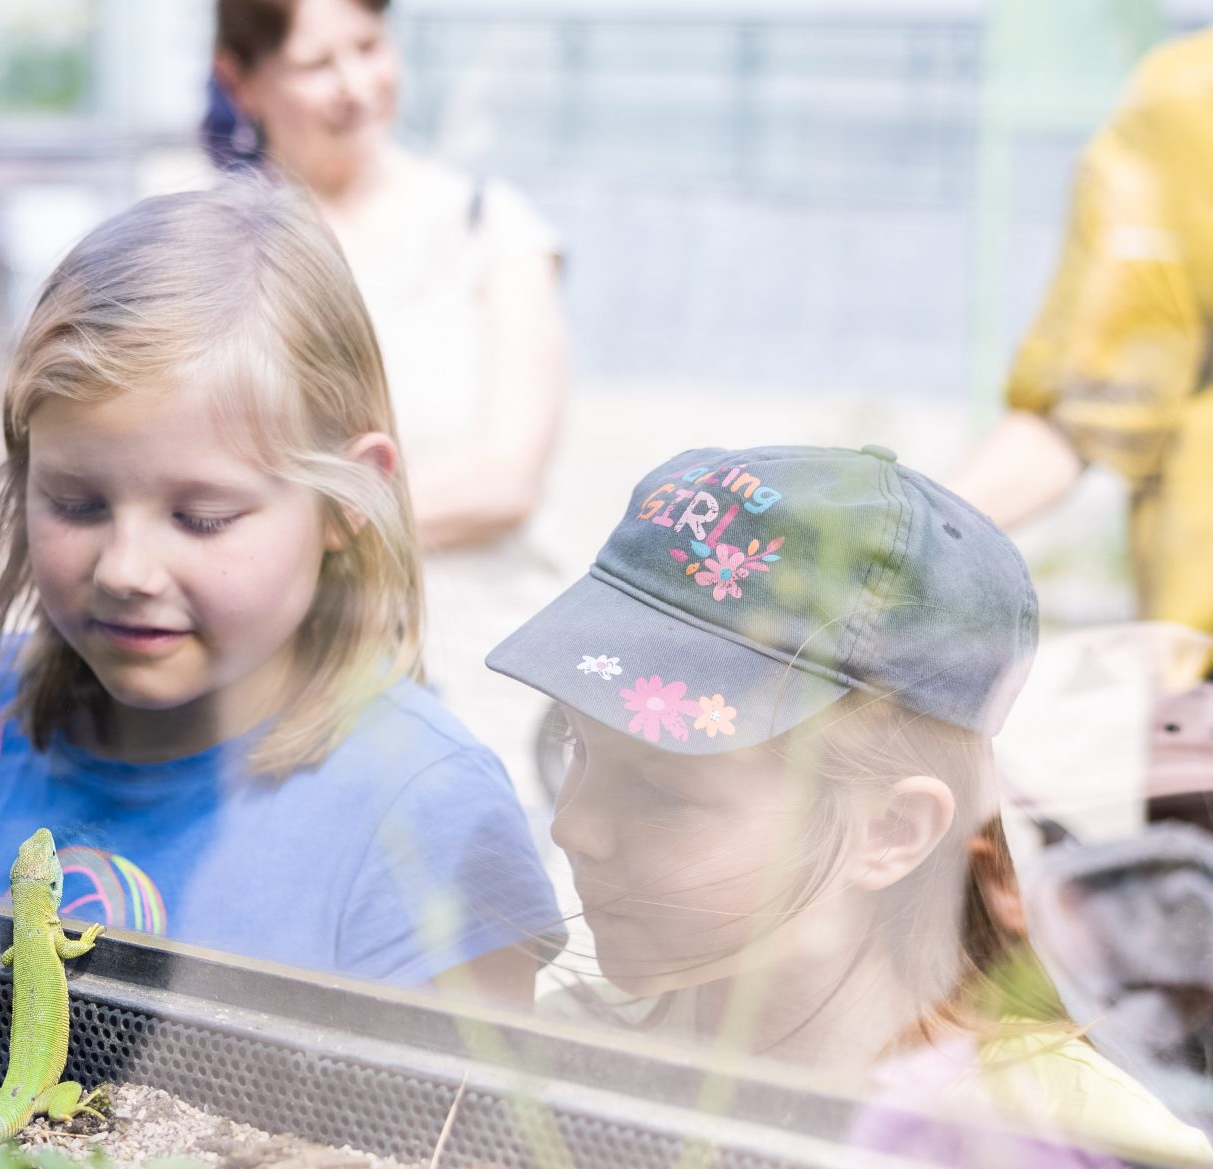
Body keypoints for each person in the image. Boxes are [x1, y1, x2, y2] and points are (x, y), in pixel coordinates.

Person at [0, 180, 561, 998]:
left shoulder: (431, 813)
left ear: (346, 501)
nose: (127, 569)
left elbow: (459, 1122)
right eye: (76, 503)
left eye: (202, 516)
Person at [486, 444, 1045, 1069]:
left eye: (663, 794)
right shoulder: (549, 1059)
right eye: (574, 742)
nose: (571, 827)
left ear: (892, 830)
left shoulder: (1067, 1150)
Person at [208, 0, 569, 799]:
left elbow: (504, 482)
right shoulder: (206, 242)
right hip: (277, 688)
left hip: (478, 673)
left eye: (370, 47)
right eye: (314, 64)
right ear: (240, 79)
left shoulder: (491, 228)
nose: (354, 86)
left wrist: (265, 522)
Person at [948, 28, 1213, 641]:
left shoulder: (1191, 98)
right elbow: (1080, 412)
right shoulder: (1189, 104)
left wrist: (884, 552)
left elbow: (1077, 415)